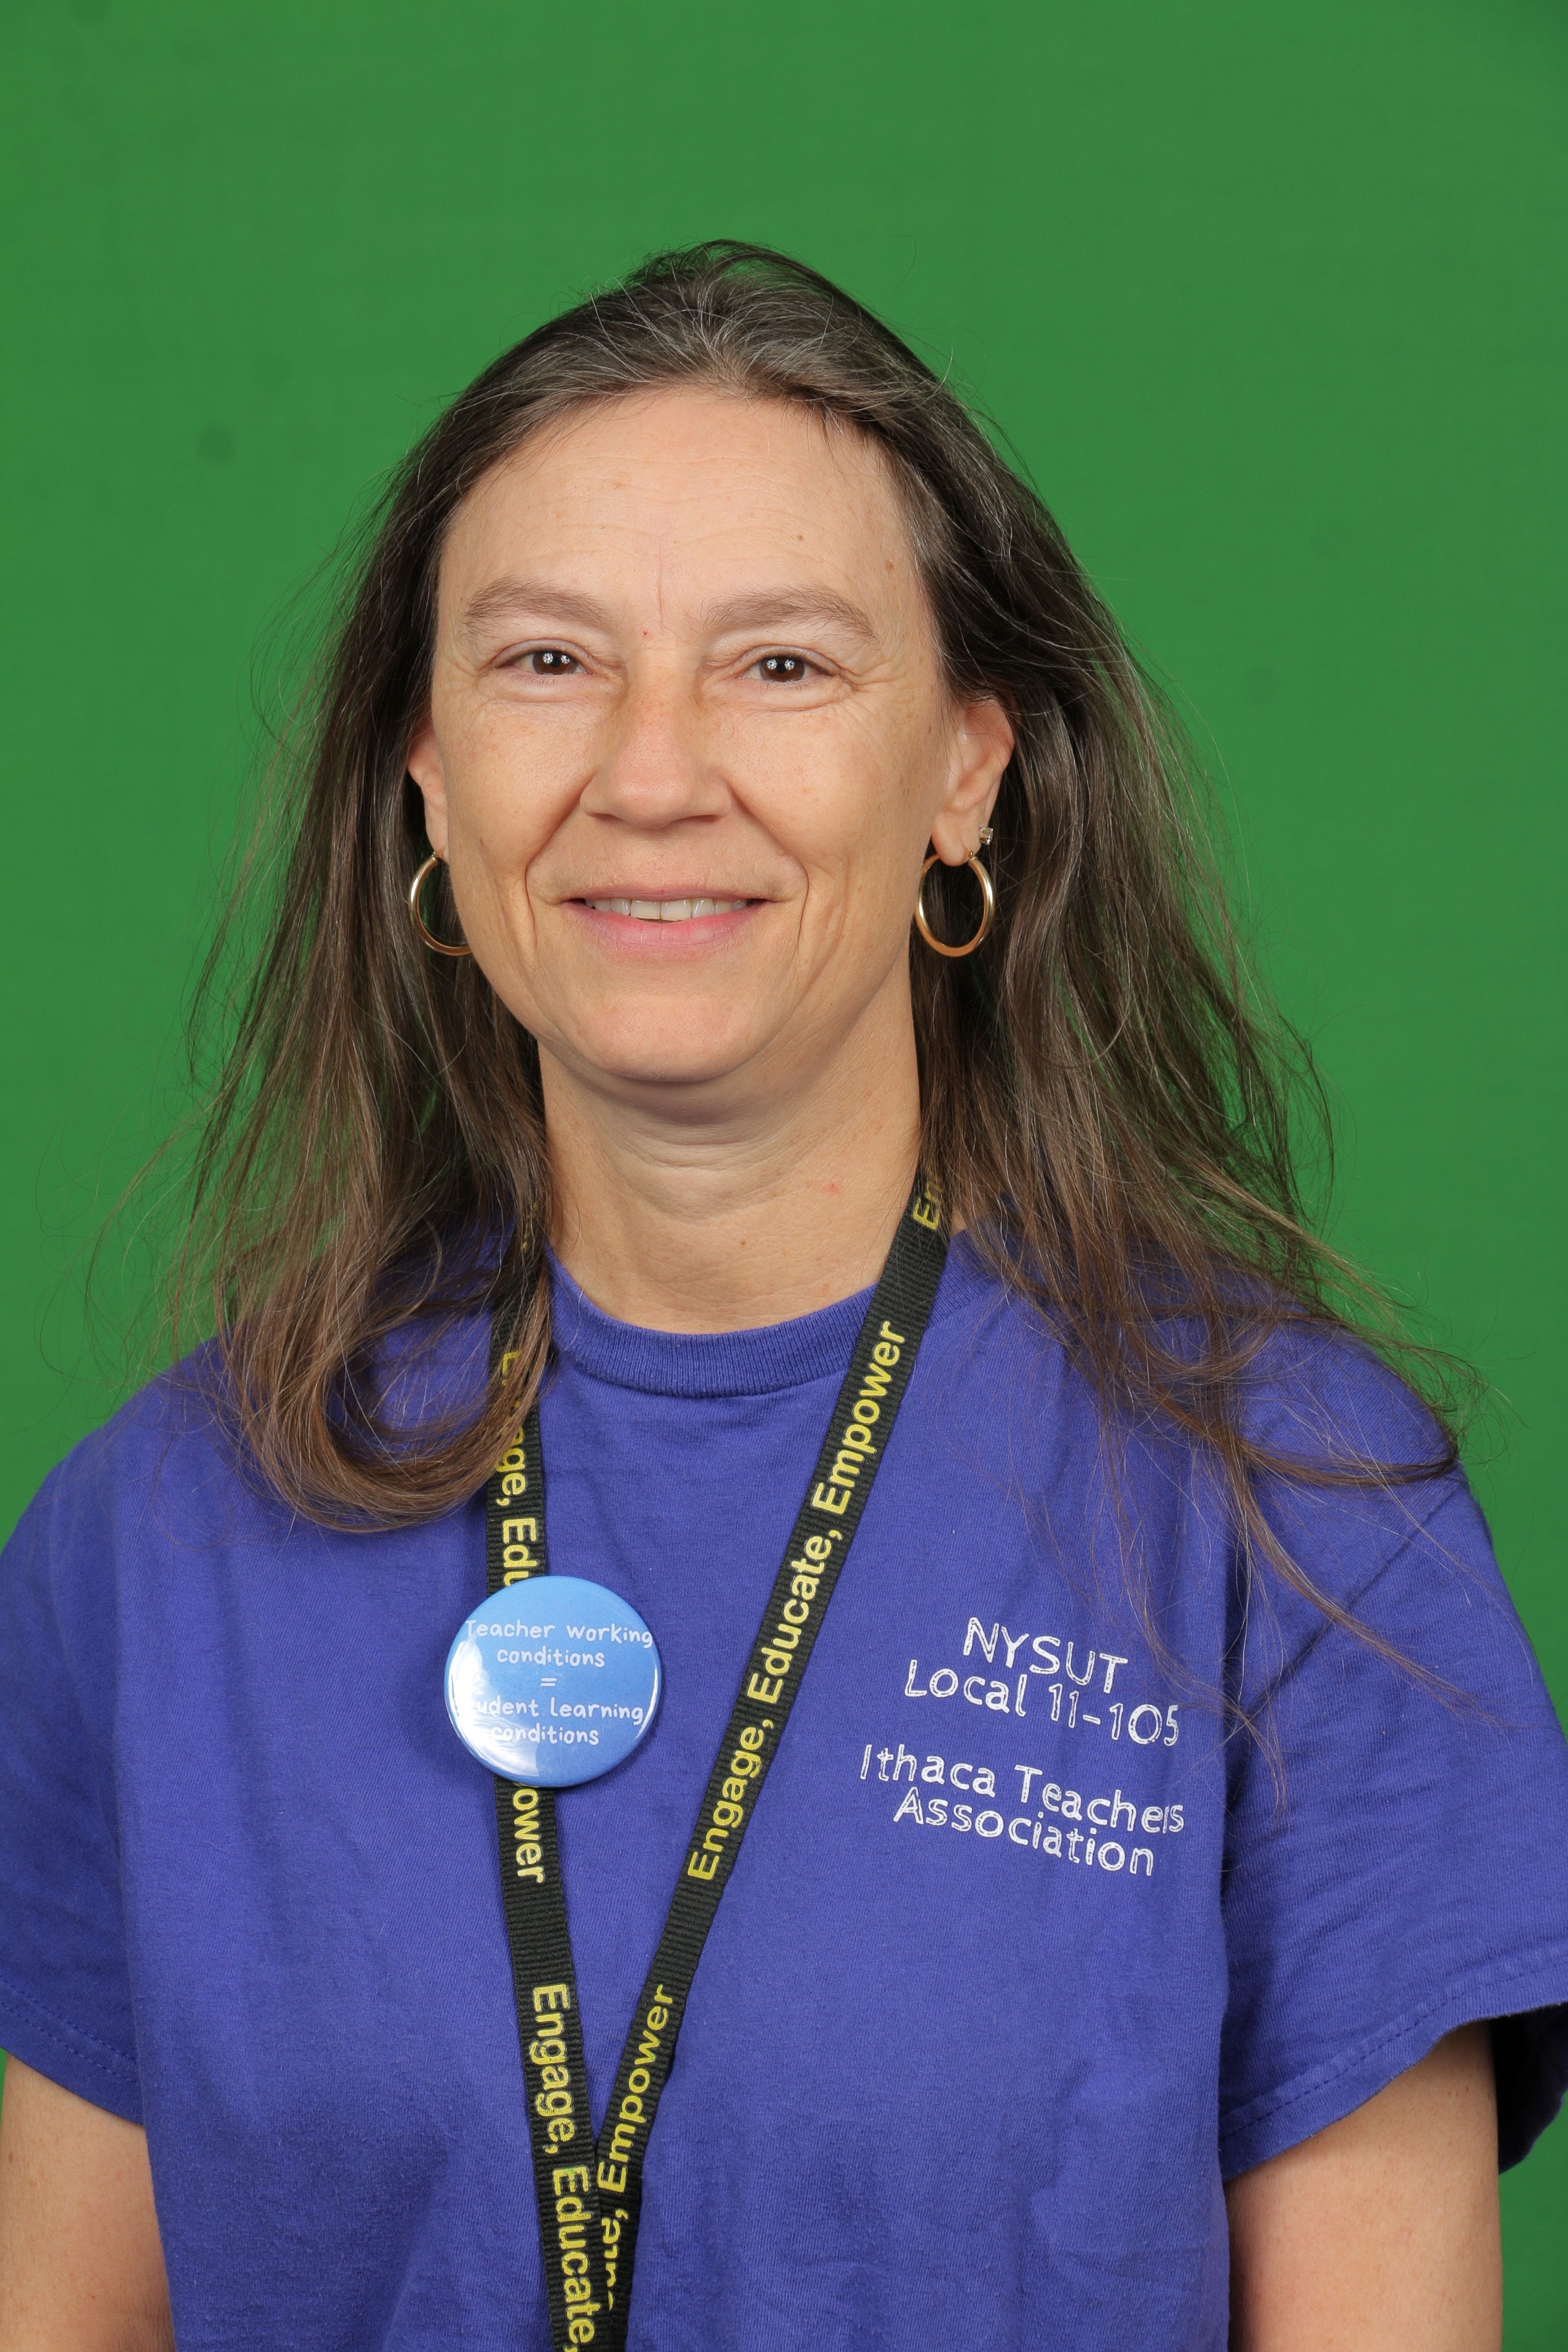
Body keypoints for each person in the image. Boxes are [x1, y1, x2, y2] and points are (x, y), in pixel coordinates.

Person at [0, 243, 1563, 2352]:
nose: (653, 771)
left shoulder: (1294, 1515)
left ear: (967, 772)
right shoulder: (152, 1540)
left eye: (782, 664)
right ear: (429, 776)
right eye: (548, 659)